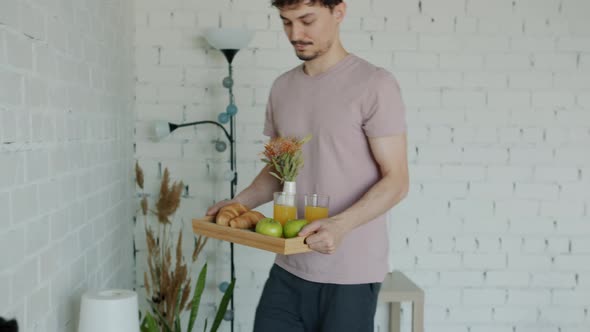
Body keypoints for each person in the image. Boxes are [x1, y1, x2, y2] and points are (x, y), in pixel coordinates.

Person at [206, 0, 409, 330]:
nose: (295, 34)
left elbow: (397, 180)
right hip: (289, 265)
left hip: (350, 274)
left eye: (306, 21)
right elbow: (279, 170)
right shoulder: (282, 88)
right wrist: (238, 204)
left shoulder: (375, 85)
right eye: (286, 22)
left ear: (339, 12)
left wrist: (340, 225)